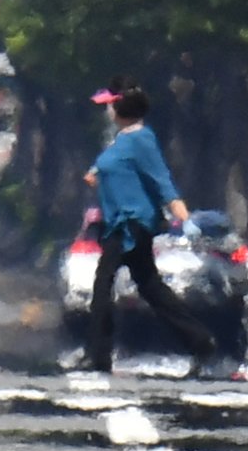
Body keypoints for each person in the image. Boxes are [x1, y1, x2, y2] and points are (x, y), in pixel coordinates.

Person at [78, 79, 216, 374]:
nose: (107, 111)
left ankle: (98, 355)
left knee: (103, 283)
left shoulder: (141, 139)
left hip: (132, 224)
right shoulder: (121, 140)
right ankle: (200, 341)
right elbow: (102, 171)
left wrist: (184, 218)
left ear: (120, 107)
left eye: (110, 105)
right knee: (150, 286)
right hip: (118, 222)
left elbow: (161, 181)